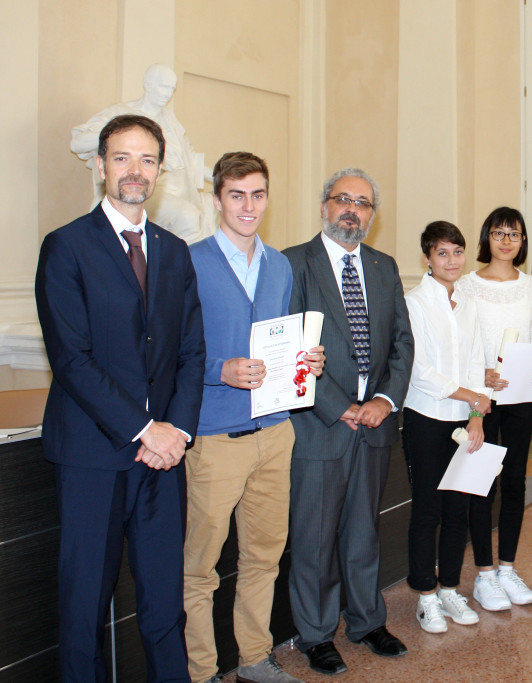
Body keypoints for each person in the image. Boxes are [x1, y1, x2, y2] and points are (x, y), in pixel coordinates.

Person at [35, 114, 205, 682]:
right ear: (102, 165)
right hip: (92, 455)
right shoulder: (66, 247)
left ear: (159, 168)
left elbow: (191, 353)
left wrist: (175, 431)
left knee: (163, 601)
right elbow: (72, 360)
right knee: (84, 602)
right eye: (122, 158)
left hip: (164, 459)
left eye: (147, 159)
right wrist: (145, 429)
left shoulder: (176, 251)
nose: (135, 170)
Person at [184, 152, 324, 683]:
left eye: (258, 194)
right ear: (217, 198)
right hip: (214, 437)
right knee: (200, 568)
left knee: (264, 557)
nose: (249, 206)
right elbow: (173, 351)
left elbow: (284, 341)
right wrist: (221, 370)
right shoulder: (189, 262)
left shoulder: (280, 265)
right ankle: (199, 671)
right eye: (237, 195)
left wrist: (308, 361)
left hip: (275, 432)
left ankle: (252, 659)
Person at [283, 168, 414, 675]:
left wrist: (384, 400)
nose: (351, 211)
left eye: (362, 203)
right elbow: (290, 347)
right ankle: (315, 635)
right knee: (315, 537)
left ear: (372, 216)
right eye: (343, 200)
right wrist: (337, 404)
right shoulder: (294, 264)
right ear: (324, 206)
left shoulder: (383, 267)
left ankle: (366, 621)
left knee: (364, 532)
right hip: (321, 425)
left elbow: (403, 343)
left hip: (375, 425)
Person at [459, 207, 532, 611]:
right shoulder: (466, 284)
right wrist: (480, 374)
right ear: (487, 237)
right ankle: (484, 573)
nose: (505, 240)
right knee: (482, 483)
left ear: (522, 241)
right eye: (498, 232)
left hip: (520, 397)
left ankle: (508, 568)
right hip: (482, 397)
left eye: (513, 234)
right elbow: (461, 341)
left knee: (514, 482)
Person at [404, 221, 492, 632]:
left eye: (458, 252)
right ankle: (425, 595)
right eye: (443, 253)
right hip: (426, 418)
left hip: (465, 420)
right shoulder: (415, 302)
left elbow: (478, 359)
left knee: (459, 508)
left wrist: (476, 415)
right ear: (427, 258)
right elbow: (421, 373)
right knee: (428, 509)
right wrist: (472, 398)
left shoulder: (470, 302)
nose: (452, 260)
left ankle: (450, 589)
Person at [70, 64, 214, 243]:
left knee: (206, 211)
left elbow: (190, 158)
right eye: (163, 86)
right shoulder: (121, 113)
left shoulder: (170, 120)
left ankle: (184, 266)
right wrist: (116, 135)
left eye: (171, 88)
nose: (167, 93)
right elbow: (77, 143)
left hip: (176, 189)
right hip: (146, 189)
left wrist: (220, 177)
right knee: (188, 215)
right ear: (147, 84)